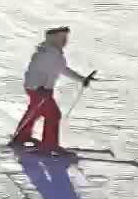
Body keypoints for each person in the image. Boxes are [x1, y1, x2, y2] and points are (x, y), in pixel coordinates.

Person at [12, 26, 93, 154]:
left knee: (34, 113)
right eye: (62, 38)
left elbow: (62, 69)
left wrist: (81, 79)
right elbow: (34, 71)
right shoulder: (48, 53)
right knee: (53, 115)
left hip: (40, 89)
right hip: (39, 90)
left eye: (66, 38)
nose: (65, 41)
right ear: (54, 38)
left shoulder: (52, 52)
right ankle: (49, 145)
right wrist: (39, 87)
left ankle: (21, 137)